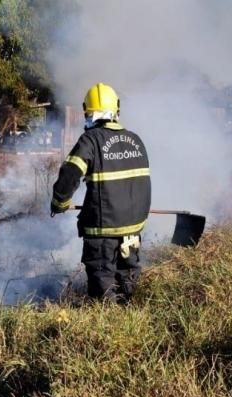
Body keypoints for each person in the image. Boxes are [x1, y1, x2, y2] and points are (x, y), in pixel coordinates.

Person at [50, 83, 151, 301]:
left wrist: (59, 203)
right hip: (133, 231)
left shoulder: (90, 140)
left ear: (88, 112)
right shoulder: (136, 140)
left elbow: (69, 175)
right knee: (128, 283)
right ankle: (131, 324)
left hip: (103, 233)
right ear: (116, 111)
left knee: (103, 290)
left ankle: (107, 330)